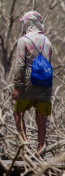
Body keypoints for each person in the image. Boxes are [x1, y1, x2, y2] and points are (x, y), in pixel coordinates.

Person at [12, 11, 53, 157]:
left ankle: (26, 146)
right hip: (46, 84)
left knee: (18, 113)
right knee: (41, 119)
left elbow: (19, 65)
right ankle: (40, 150)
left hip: (28, 83)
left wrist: (17, 87)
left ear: (28, 23)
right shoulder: (47, 41)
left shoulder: (24, 40)